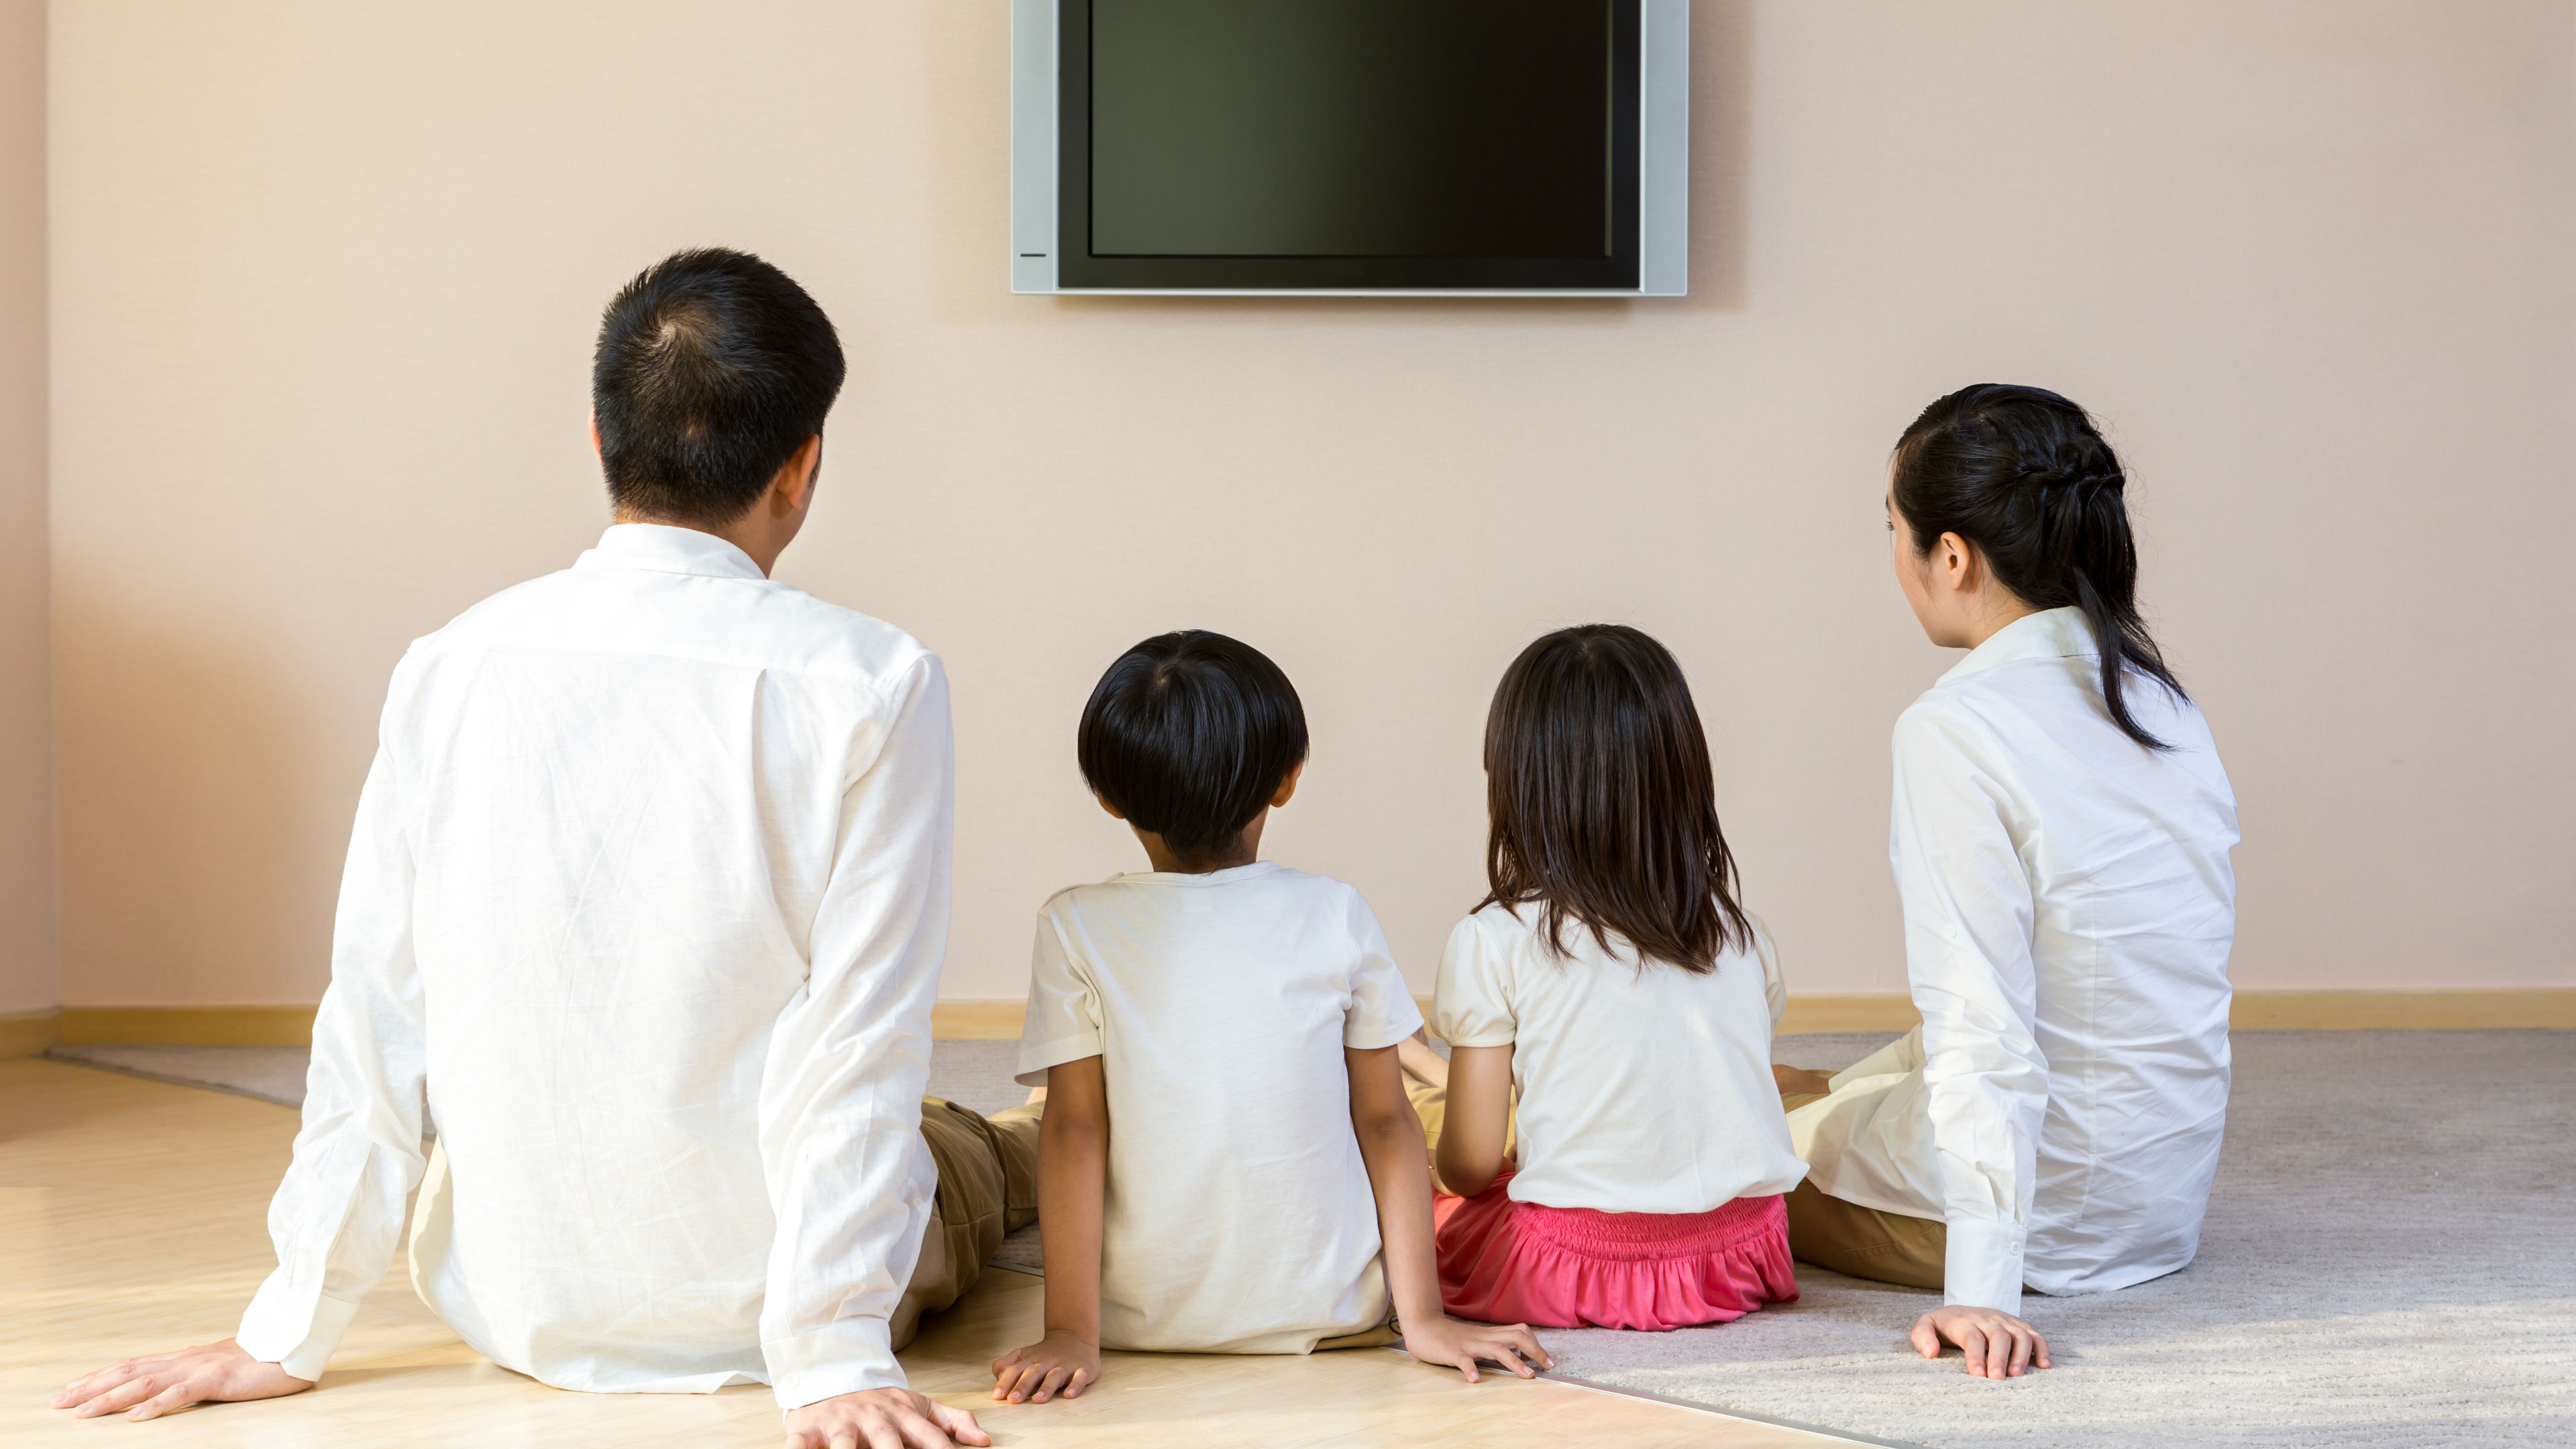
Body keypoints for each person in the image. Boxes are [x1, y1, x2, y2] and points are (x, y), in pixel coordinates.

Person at [50, 248, 1023, 1449]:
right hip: (756, 1310)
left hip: (506, 1305)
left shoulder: (449, 663)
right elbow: (859, 1037)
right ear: (803, 465)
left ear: (599, 437)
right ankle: (1060, 1134)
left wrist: (285, 1327)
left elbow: (376, 1012)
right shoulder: (874, 680)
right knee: (970, 1149)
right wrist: (829, 1357)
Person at [1776, 384, 2239, 1381]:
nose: (1893, 557)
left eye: (1894, 530)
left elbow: (1983, 1024)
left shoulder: (1958, 730)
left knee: (1673, 1154)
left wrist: (1981, 1288)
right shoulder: (2166, 708)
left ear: (1953, 556)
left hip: (2052, 1220)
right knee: (1780, 1084)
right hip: (2162, 1197)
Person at [987, 631, 1552, 1405]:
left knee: (1042, 1121)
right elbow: (1386, 1125)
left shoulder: (1075, 925)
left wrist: (1071, 1332)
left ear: (1108, 795)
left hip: (1136, 1323)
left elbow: (1075, 1131)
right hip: (1336, 1312)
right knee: (1408, 1102)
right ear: (1286, 781)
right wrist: (1424, 1318)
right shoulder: (1335, 912)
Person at [1398, 625, 1807, 1332]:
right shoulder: (1742, 934)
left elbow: (1467, 1165)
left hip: (1580, 1267)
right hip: (1742, 1254)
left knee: (1418, 1202)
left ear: (1517, 782)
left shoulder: (1494, 940)